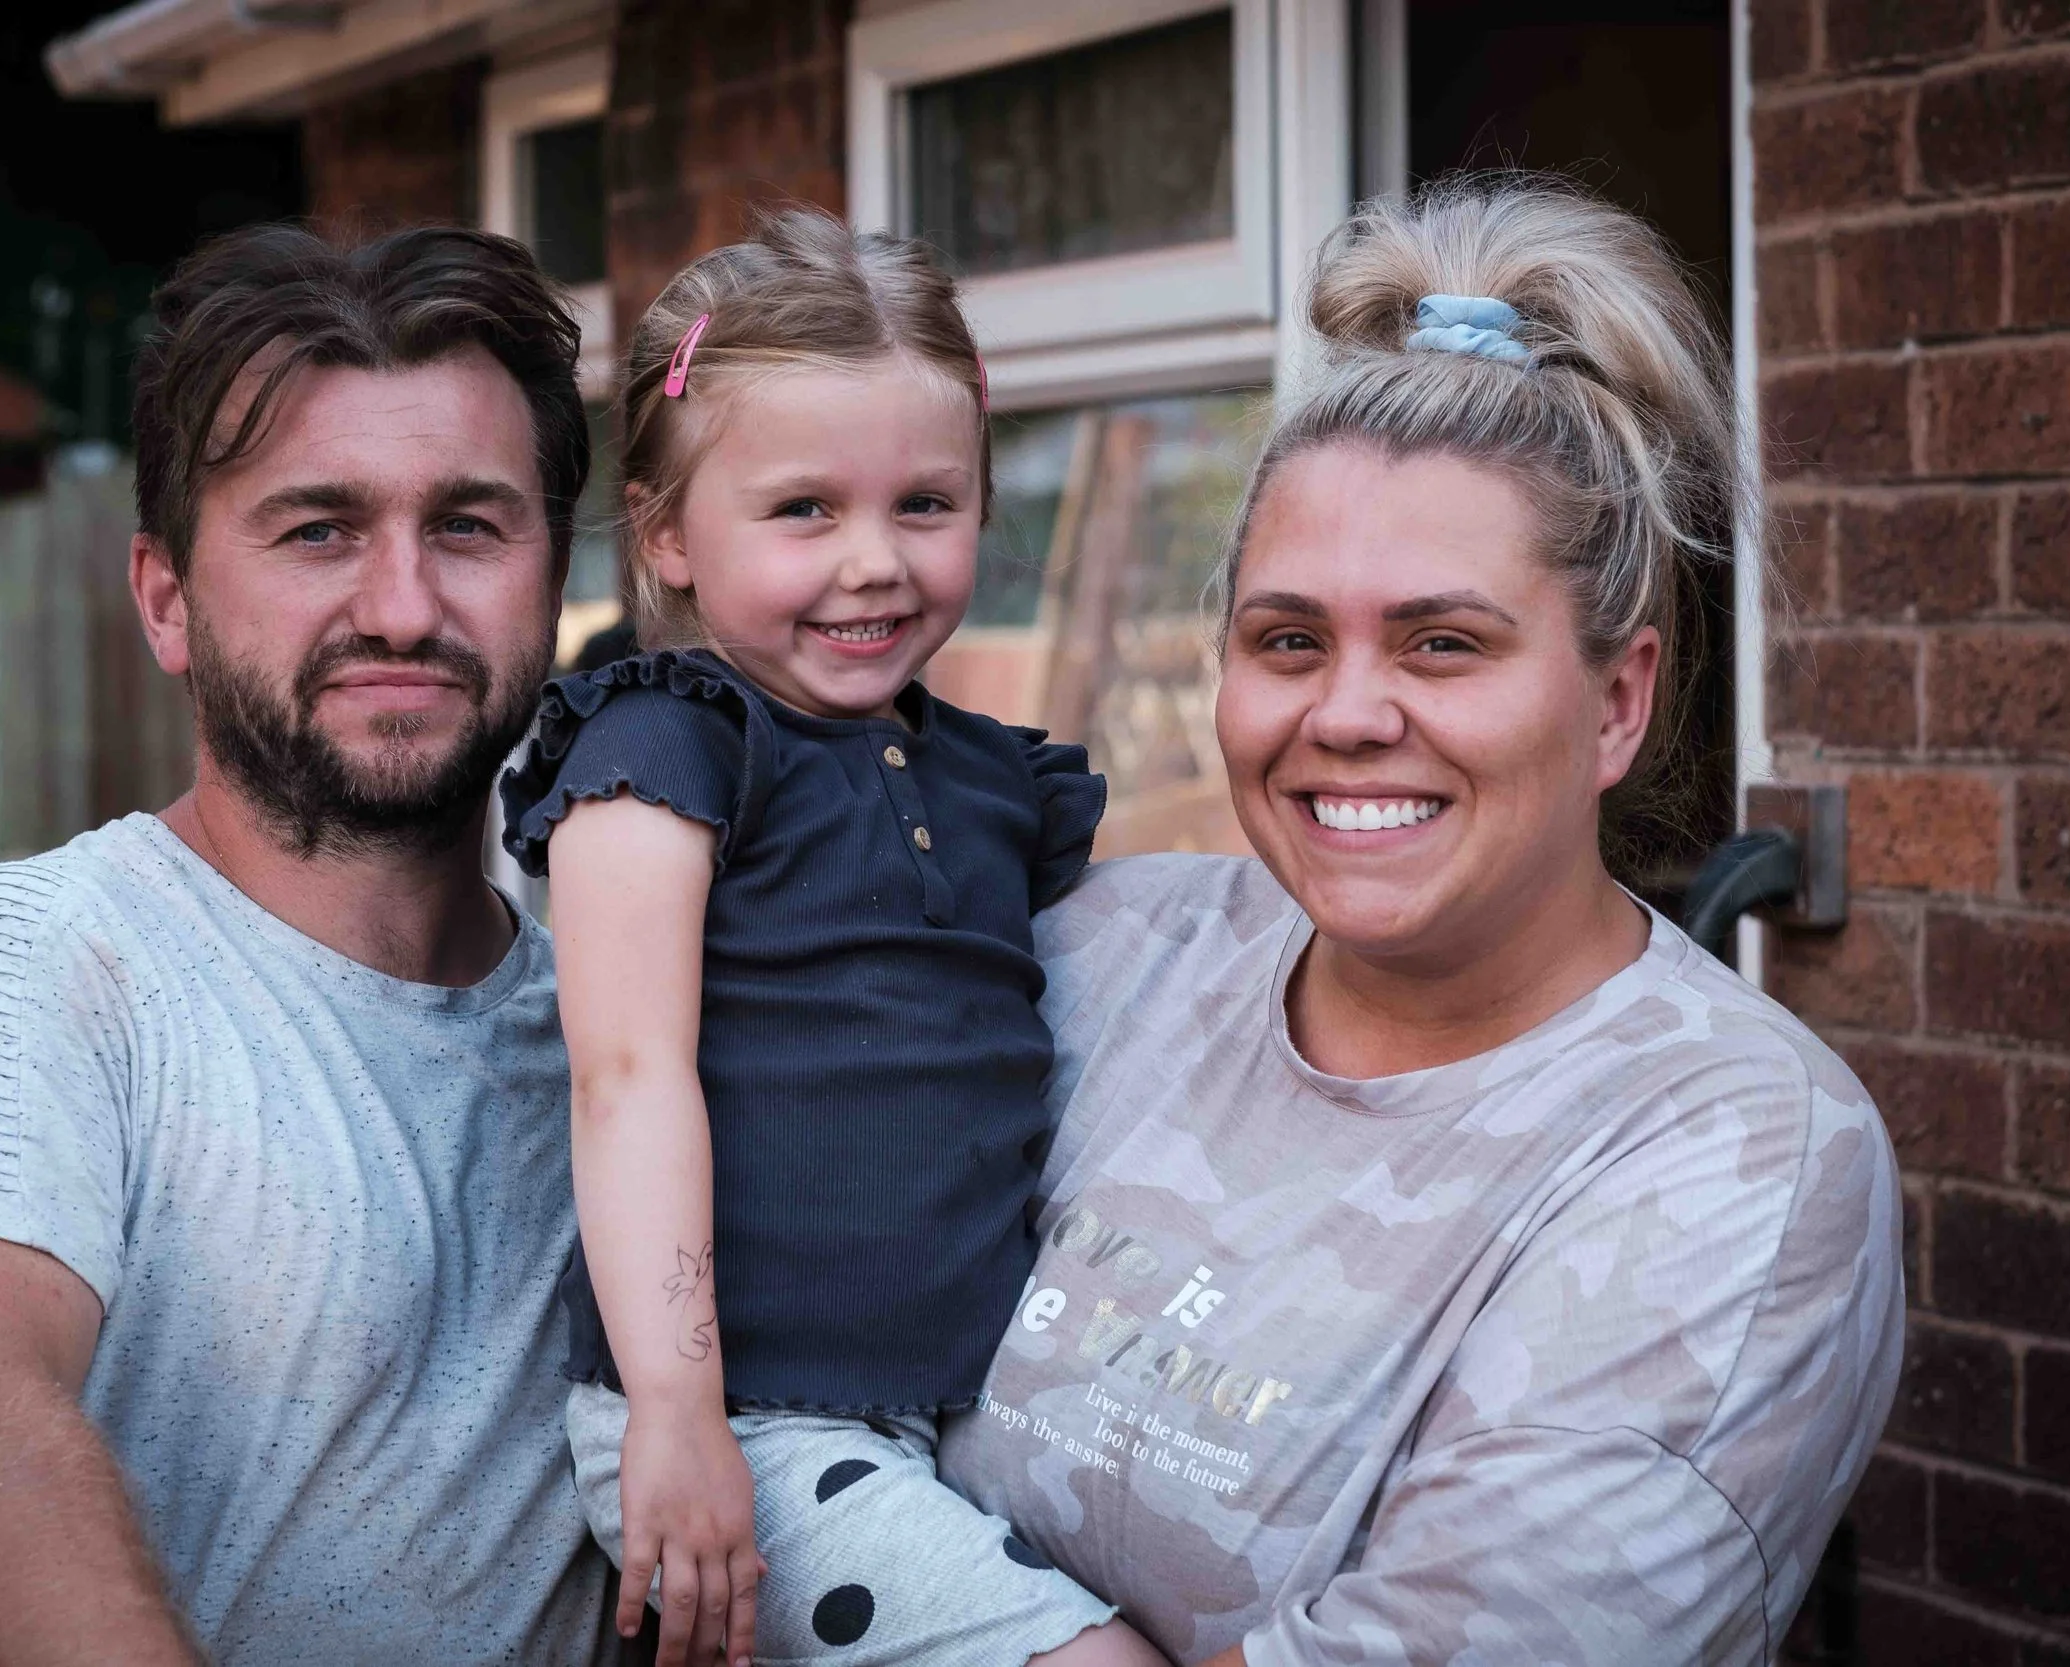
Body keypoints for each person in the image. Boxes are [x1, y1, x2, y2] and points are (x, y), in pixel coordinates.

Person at [936, 177, 1906, 1666]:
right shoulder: (1102, 954)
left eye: (1444, 643)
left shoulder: (1742, 1162)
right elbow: (784, 1386)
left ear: (1619, 700)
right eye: (1288, 640)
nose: (1347, 713)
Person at [0, 224, 617, 1664]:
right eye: (318, 529)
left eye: (468, 525)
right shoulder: (33, 963)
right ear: (166, 598)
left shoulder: (626, 1050)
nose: (402, 606)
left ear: (553, 576)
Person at [497, 212, 1163, 1667]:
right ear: (668, 530)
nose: (874, 561)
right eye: (805, 510)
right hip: (743, 1420)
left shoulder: (988, 777)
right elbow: (627, 1079)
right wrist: (676, 1417)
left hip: (967, 1401)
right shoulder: (664, 750)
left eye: (926, 504)